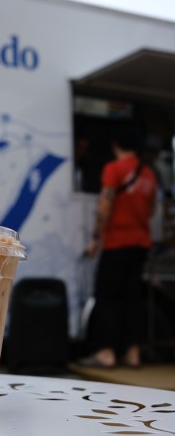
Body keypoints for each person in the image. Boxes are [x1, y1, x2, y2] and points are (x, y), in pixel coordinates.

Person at [80, 131, 157, 368]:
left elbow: (105, 204)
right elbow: (152, 210)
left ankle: (106, 352)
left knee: (107, 297)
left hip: (116, 243)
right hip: (140, 244)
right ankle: (133, 353)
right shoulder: (149, 174)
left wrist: (95, 238)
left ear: (115, 145)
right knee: (133, 299)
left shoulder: (114, 169)